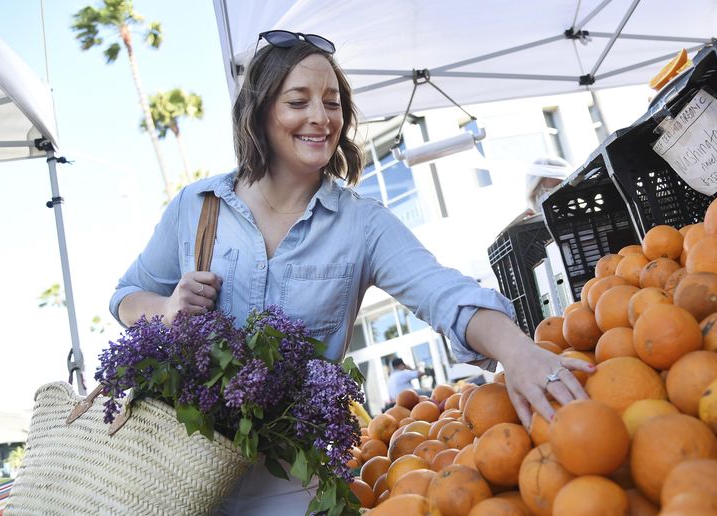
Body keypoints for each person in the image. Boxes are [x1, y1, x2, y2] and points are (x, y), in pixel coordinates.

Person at [109, 29, 594, 514]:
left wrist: (518, 351)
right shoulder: (198, 208)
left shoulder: (362, 225)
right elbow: (127, 295)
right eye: (298, 102)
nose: (320, 118)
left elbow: (445, 294)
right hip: (180, 476)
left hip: (294, 486)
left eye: (332, 102)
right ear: (259, 112)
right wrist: (169, 308)